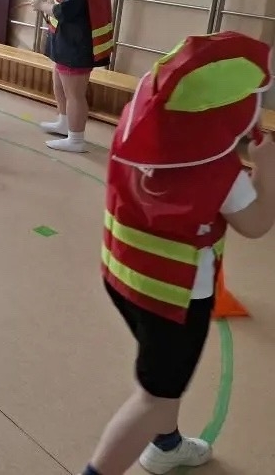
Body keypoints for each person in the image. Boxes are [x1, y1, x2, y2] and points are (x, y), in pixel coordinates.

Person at [80, 32, 275, 475]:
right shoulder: (221, 171)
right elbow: (256, 224)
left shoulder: (135, 133)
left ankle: (166, 445)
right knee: (155, 396)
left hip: (122, 277)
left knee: (164, 374)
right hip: (176, 299)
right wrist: (267, 174)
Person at [31, 0, 116, 153]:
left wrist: (42, 5)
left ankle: (76, 139)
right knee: (60, 84)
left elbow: (64, 12)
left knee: (75, 94)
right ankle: (64, 122)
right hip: (69, 44)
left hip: (76, 47)